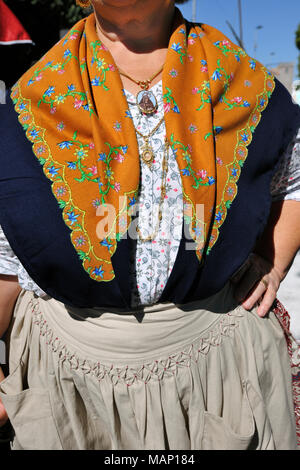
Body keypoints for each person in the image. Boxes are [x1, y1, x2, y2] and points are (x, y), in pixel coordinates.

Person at [0, 0, 300, 450]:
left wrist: (273, 264)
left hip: (215, 373)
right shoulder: (31, 100)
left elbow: (292, 183)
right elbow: (6, 254)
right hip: (71, 384)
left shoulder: (248, 85)